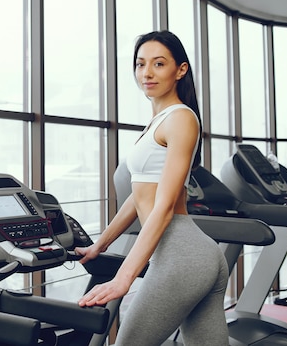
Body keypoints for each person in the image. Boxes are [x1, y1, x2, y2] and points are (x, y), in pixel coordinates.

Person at [75, 31, 229, 345]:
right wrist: (99, 245)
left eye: (159, 64)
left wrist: (124, 278)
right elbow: (138, 197)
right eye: (140, 64)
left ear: (180, 70)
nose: (147, 73)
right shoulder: (158, 122)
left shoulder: (181, 119)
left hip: (181, 255)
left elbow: (162, 207)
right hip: (193, 255)